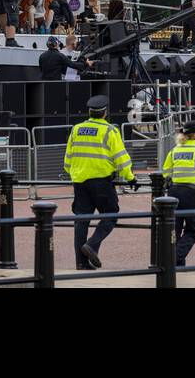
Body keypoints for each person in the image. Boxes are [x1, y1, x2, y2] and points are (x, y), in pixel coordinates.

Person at [64, 94, 137, 269]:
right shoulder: (110, 131)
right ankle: (92, 244)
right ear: (105, 113)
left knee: (81, 220)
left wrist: (75, 172)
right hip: (101, 182)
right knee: (110, 215)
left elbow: (68, 159)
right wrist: (130, 177)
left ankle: (81, 263)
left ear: (89, 112)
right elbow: (121, 157)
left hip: (79, 181)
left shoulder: (76, 129)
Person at [161, 120, 195, 267]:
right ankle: (173, 259)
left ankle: (178, 264)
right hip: (191, 193)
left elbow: (166, 171)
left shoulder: (176, 150)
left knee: (175, 229)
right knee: (192, 231)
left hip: (173, 192)